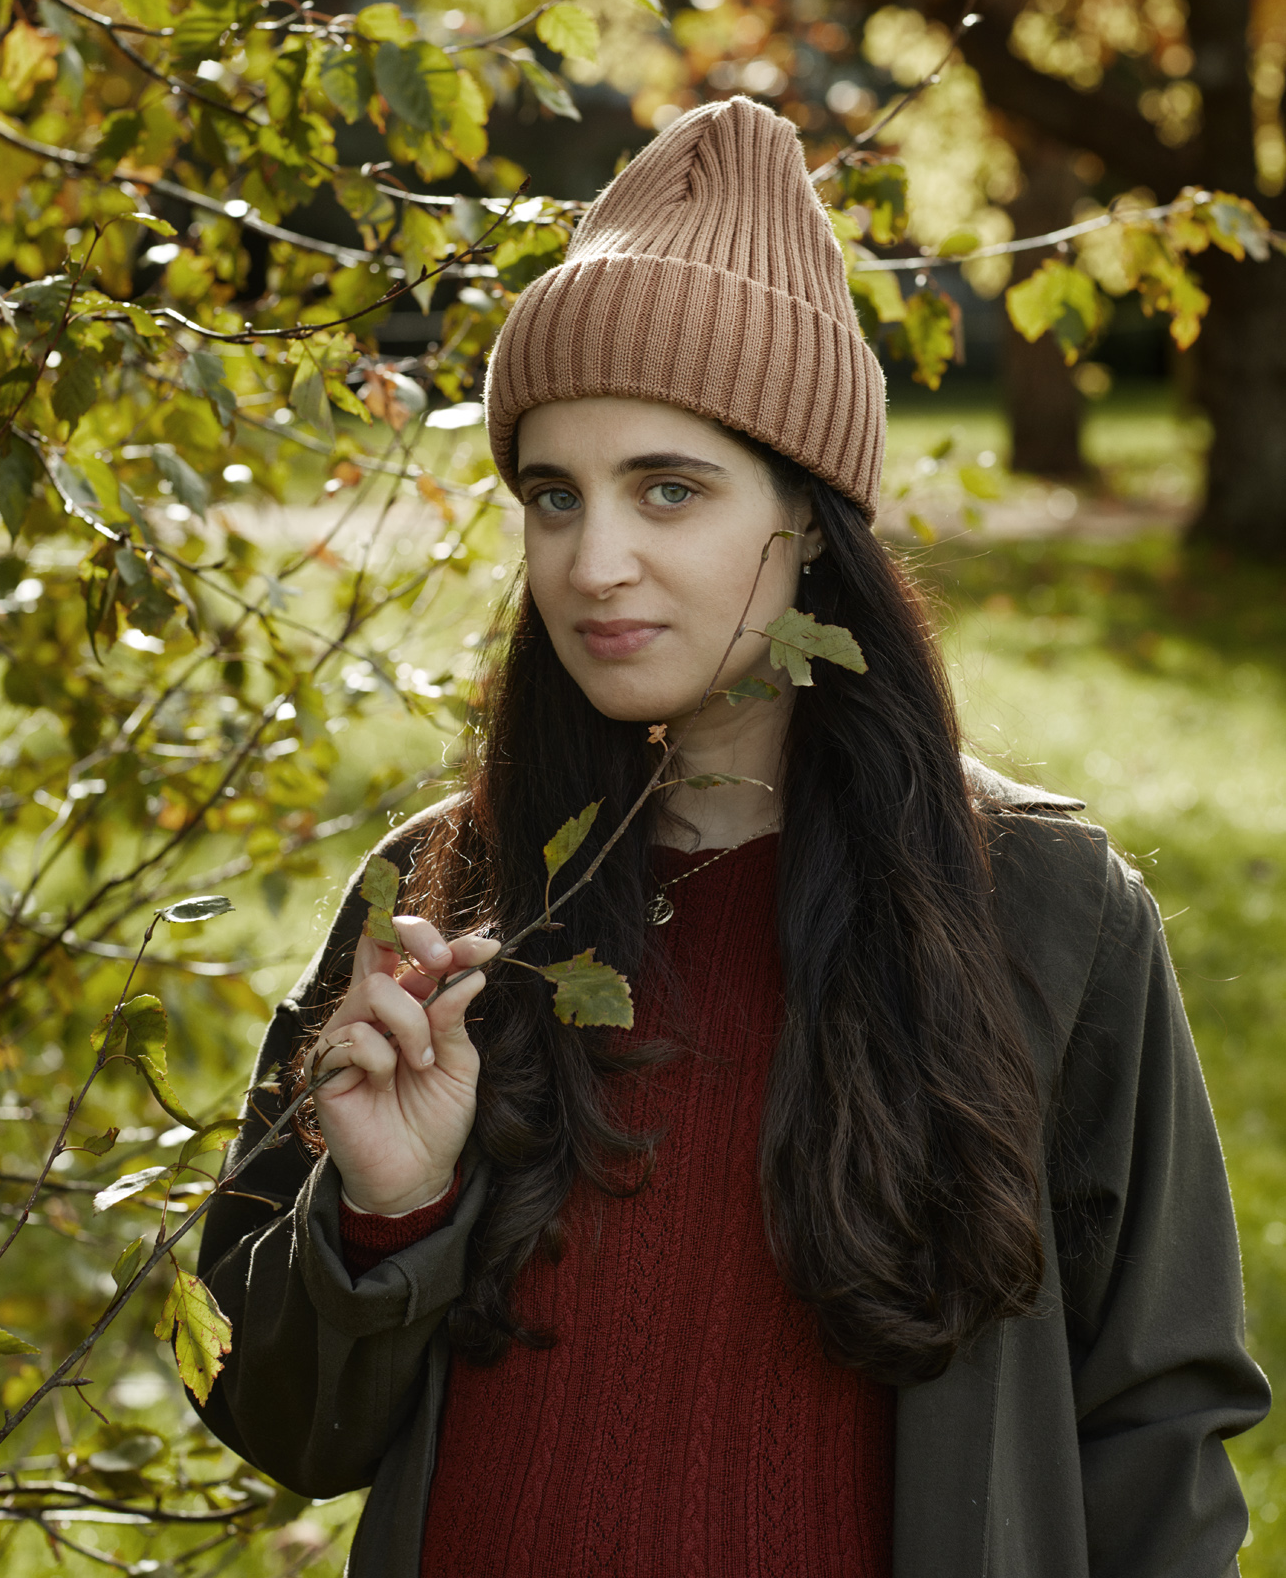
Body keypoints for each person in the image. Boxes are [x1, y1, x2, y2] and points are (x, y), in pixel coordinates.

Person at [196, 97, 1269, 1578]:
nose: (594, 562)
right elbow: (277, 1418)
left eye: (670, 490)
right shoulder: (445, 900)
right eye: (554, 497)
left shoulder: (1039, 908)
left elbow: (1156, 1430)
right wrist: (386, 1211)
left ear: (811, 520)